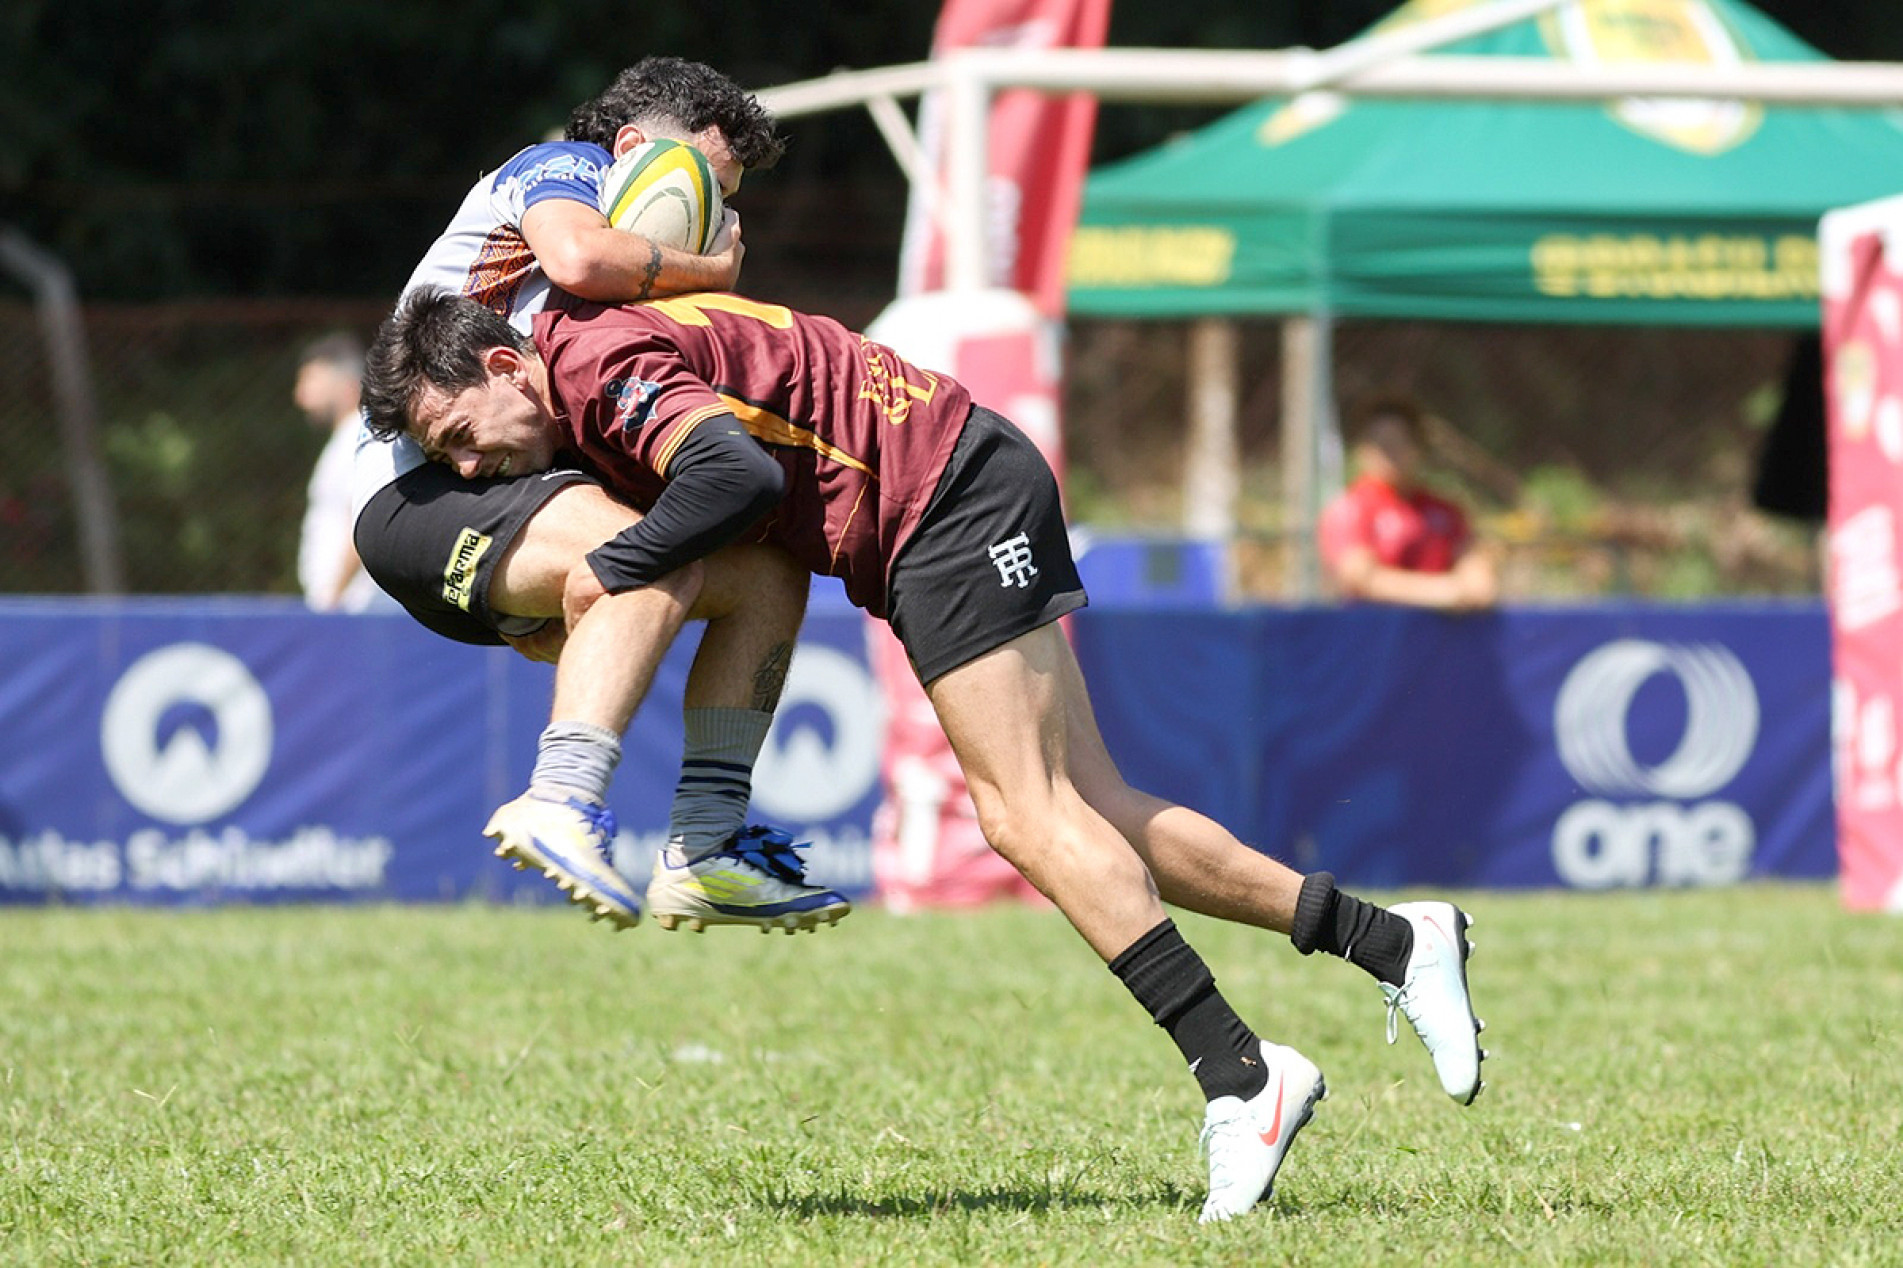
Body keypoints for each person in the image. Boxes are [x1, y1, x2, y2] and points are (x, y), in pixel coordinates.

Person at [360, 288, 1490, 1223]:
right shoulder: (587, 355)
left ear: (508, 363)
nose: (468, 471)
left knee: (1022, 816)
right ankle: (1393, 936)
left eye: (462, 434)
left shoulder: (598, 362)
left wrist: (618, 568)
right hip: (957, 480)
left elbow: (738, 481)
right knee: (1095, 807)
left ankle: (1244, 1075)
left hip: (945, 502)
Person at [353, 57, 850, 934]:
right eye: (701, 180)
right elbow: (579, 257)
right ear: (629, 147)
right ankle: (560, 800)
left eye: (728, 202)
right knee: (642, 565)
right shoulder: (558, 171)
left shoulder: (608, 320)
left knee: (769, 574)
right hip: (421, 495)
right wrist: (711, 272)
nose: (713, 218)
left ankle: (707, 846)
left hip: (514, 494)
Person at [1319, 395, 1498, 612]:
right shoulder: (1350, 508)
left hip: (1436, 639)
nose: (1389, 453)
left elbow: (1478, 578)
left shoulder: (1445, 511)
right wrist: (1443, 592)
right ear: (1362, 450)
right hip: (1373, 638)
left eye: (1398, 442)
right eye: (1380, 443)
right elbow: (1360, 577)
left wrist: (1470, 587)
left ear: (1418, 447)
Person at [293, 333, 395, 613]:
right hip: (346, 607)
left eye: (311, 381)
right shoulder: (345, 439)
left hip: (355, 608)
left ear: (347, 386)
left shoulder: (360, 438)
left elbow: (365, 518)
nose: (301, 397)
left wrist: (334, 597)